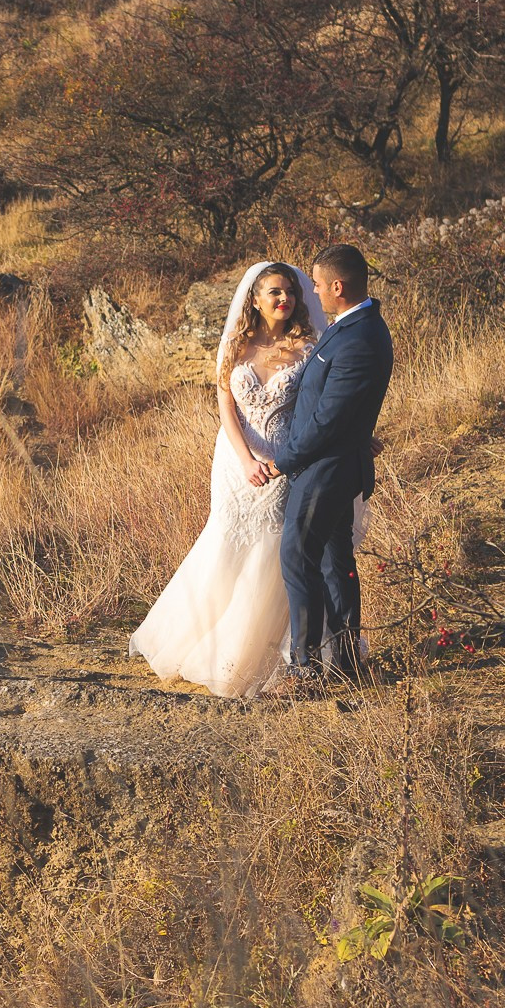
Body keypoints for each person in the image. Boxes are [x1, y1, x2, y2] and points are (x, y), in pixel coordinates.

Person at [129, 261, 369, 698]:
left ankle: (275, 656)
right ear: (254, 300)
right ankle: (206, 638)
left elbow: (326, 403)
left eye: (292, 292)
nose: (286, 300)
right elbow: (225, 404)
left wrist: (354, 437)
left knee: (280, 551)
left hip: (286, 461)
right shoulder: (235, 344)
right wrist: (244, 460)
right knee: (227, 541)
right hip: (237, 464)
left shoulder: (310, 345)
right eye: (275, 293)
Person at [259, 242, 394, 692]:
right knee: (337, 563)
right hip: (332, 465)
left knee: (299, 557)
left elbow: (328, 420)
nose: (313, 292)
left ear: (337, 286)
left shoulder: (360, 338)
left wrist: (284, 461)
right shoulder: (352, 327)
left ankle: (305, 667)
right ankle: (346, 658)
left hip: (325, 469)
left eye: (317, 284)